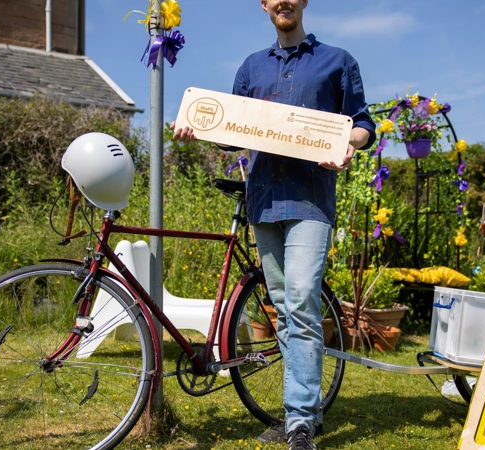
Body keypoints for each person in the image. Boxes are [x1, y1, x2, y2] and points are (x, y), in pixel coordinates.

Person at [173, 1, 375, 448]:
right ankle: (307, 411)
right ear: (264, 5)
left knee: (301, 300)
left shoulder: (337, 61)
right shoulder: (250, 67)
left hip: (310, 203)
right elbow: (233, 130)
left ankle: (299, 419)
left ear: (303, 2)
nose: (283, 1)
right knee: (285, 309)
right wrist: (196, 127)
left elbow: (362, 124)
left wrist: (347, 142)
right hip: (263, 202)